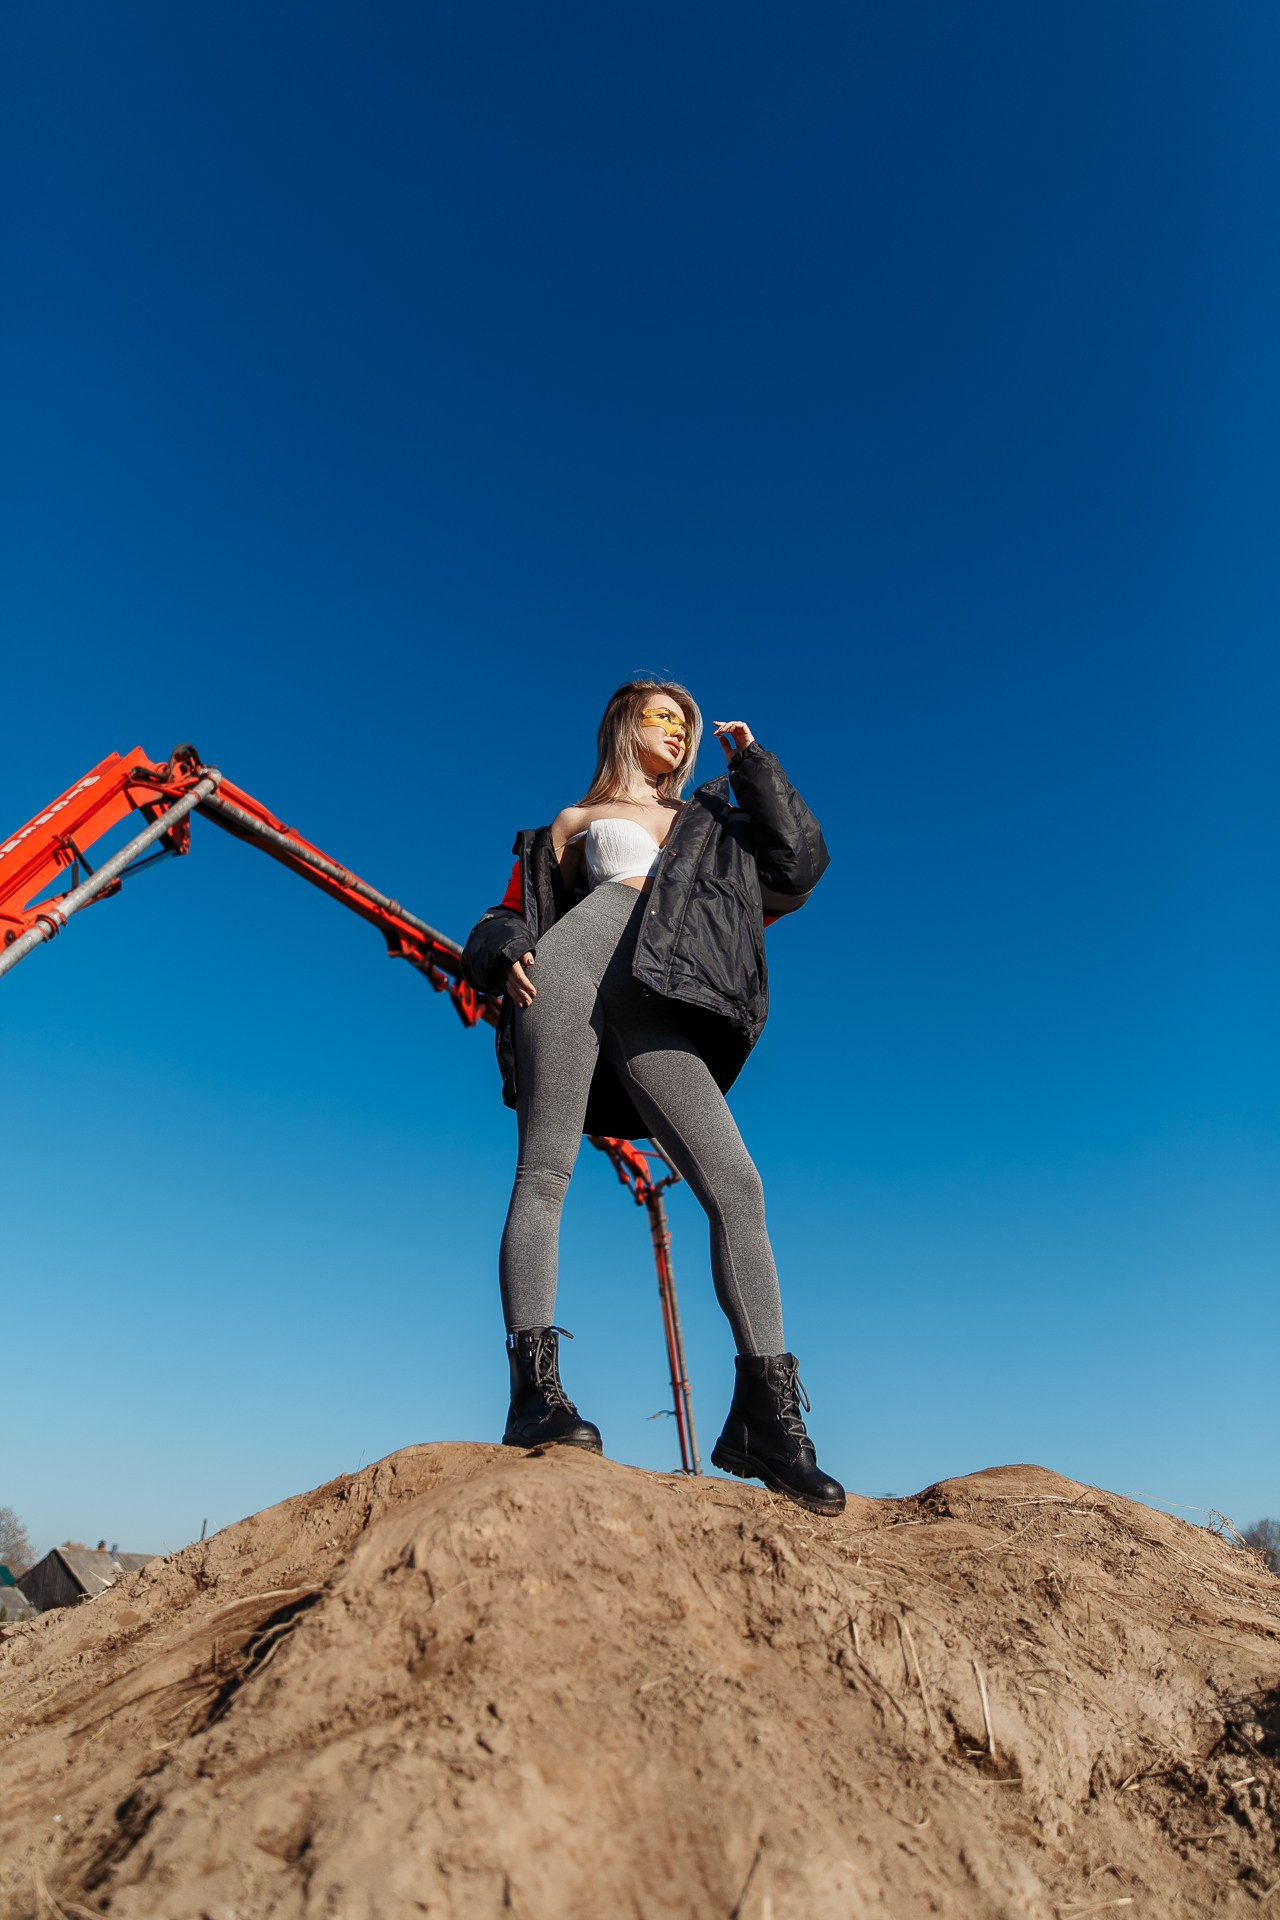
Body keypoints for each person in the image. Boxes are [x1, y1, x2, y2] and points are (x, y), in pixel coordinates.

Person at [462, 678, 844, 1515]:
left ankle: (767, 1419)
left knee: (737, 1184)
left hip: (658, 989)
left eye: (687, 724)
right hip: (566, 974)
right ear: (623, 725)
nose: (676, 731)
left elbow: (799, 869)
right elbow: (509, 910)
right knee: (545, 1174)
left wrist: (754, 768)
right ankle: (535, 1399)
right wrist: (500, 942)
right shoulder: (569, 824)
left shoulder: (712, 824)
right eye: (660, 716)